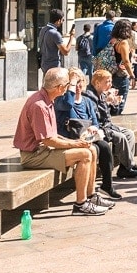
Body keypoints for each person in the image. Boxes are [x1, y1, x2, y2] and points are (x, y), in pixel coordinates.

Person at [13, 67, 113, 216]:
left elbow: (52, 135)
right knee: (84, 154)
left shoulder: (47, 99)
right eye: (68, 85)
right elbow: (49, 141)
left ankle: (91, 196)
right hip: (34, 155)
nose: (69, 89)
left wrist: (78, 141)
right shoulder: (39, 105)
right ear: (60, 88)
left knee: (91, 149)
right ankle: (81, 204)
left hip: (43, 150)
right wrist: (76, 144)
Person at [54, 68, 121, 199]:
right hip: (70, 139)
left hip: (87, 138)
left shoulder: (87, 101)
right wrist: (71, 88)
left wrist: (94, 129)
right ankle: (88, 194)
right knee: (93, 150)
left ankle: (107, 186)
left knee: (105, 147)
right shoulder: (62, 101)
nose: (78, 86)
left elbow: (95, 122)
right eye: (74, 83)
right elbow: (68, 104)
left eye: (80, 82)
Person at [84, 69, 137, 180]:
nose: (110, 84)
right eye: (107, 82)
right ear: (97, 83)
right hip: (99, 128)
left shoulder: (102, 94)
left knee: (129, 133)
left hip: (107, 125)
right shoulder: (90, 95)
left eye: (110, 81)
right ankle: (129, 167)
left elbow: (113, 114)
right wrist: (106, 102)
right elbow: (95, 117)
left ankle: (126, 166)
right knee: (121, 138)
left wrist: (113, 103)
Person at [108, 19, 137, 114]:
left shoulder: (113, 40)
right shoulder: (123, 43)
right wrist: (132, 75)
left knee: (111, 102)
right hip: (121, 75)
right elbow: (126, 61)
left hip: (111, 73)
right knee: (119, 104)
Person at [38, 9, 75, 74]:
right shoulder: (55, 34)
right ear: (58, 20)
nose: (62, 22)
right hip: (53, 67)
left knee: (46, 83)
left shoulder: (43, 29)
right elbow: (65, 52)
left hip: (44, 64)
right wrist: (71, 37)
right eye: (62, 20)